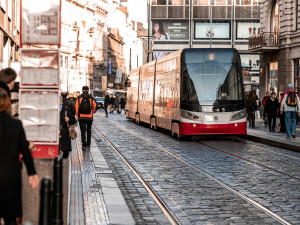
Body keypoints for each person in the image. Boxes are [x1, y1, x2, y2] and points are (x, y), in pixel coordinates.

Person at [0, 88, 39, 225]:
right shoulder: (16, 125)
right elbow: (25, 151)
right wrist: (32, 173)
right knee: (11, 216)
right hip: (11, 175)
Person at [75, 86, 97, 150]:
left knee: (83, 131)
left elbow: (76, 107)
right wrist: (92, 112)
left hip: (81, 117)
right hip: (89, 117)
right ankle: (88, 145)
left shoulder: (79, 98)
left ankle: (83, 145)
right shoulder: (91, 98)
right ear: (88, 90)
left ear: (82, 90)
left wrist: (78, 114)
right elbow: (95, 106)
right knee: (89, 130)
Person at [60, 93, 77, 158]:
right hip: (55, 133)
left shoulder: (66, 110)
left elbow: (74, 120)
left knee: (65, 153)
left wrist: (69, 119)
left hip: (65, 132)